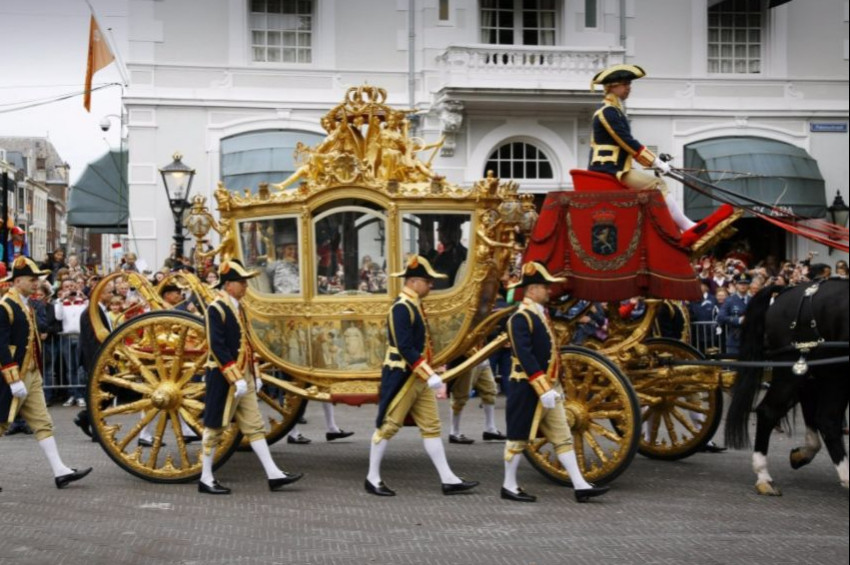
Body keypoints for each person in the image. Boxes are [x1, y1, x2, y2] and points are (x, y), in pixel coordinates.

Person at [365, 255, 478, 497]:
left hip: (417, 376)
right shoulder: (401, 308)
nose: (431, 286)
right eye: (428, 282)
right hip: (402, 376)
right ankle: (372, 477)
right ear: (415, 282)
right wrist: (428, 374)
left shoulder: (413, 304)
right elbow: (404, 347)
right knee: (388, 426)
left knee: (431, 427)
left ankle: (448, 478)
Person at [501, 261, 609, 503]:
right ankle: (509, 485)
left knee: (562, 436)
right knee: (518, 436)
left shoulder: (539, 314)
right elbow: (525, 355)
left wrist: (553, 385)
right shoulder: (520, 318)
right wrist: (542, 387)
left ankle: (580, 485)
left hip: (548, 386)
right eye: (544, 286)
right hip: (527, 386)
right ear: (531, 290)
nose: (549, 291)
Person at [588, 64, 731, 246]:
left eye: (629, 84)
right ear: (612, 87)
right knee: (657, 184)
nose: (628, 88)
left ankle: (675, 228)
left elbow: (625, 145)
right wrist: (654, 161)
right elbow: (626, 141)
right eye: (625, 84)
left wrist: (654, 162)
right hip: (609, 169)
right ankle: (686, 226)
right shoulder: (607, 112)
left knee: (654, 186)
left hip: (615, 166)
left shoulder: (614, 111)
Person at [199, 259, 303, 494]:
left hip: (242, 375)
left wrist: (253, 373)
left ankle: (273, 473)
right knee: (214, 426)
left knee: (255, 426)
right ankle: (205, 477)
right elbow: (217, 347)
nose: (246, 286)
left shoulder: (239, 307)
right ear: (228, 285)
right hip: (223, 376)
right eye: (241, 282)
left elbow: (247, 343)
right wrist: (235, 377)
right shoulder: (216, 308)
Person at [0, 256, 92, 489]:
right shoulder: (5, 306)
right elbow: (1, 345)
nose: (36, 284)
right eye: (32, 280)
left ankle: (60, 470)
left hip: (30, 375)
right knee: (0, 423)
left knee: (43, 422)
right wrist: (12, 378)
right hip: (11, 377)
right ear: (18, 280)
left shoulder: (26, 304)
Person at [446, 357, 506, 445]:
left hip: (482, 357)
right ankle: (454, 432)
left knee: (489, 391)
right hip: (467, 358)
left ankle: (490, 429)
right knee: (460, 396)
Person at [54, 278, 89, 407]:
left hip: (80, 336)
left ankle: (82, 395)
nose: (69, 289)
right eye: (66, 286)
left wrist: (84, 297)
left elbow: (90, 313)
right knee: (70, 368)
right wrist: (62, 300)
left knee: (81, 368)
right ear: (63, 289)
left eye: (71, 286)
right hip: (66, 337)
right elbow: (58, 316)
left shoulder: (83, 301)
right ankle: (73, 394)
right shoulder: (60, 302)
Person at [716, 272, 751, 357]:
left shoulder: (752, 300)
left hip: (749, 340)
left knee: (749, 367)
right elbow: (720, 317)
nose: (743, 286)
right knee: (734, 367)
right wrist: (738, 320)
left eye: (745, 283)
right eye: (740, 283)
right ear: (736, 285)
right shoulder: (730, 300)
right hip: (735, 340)